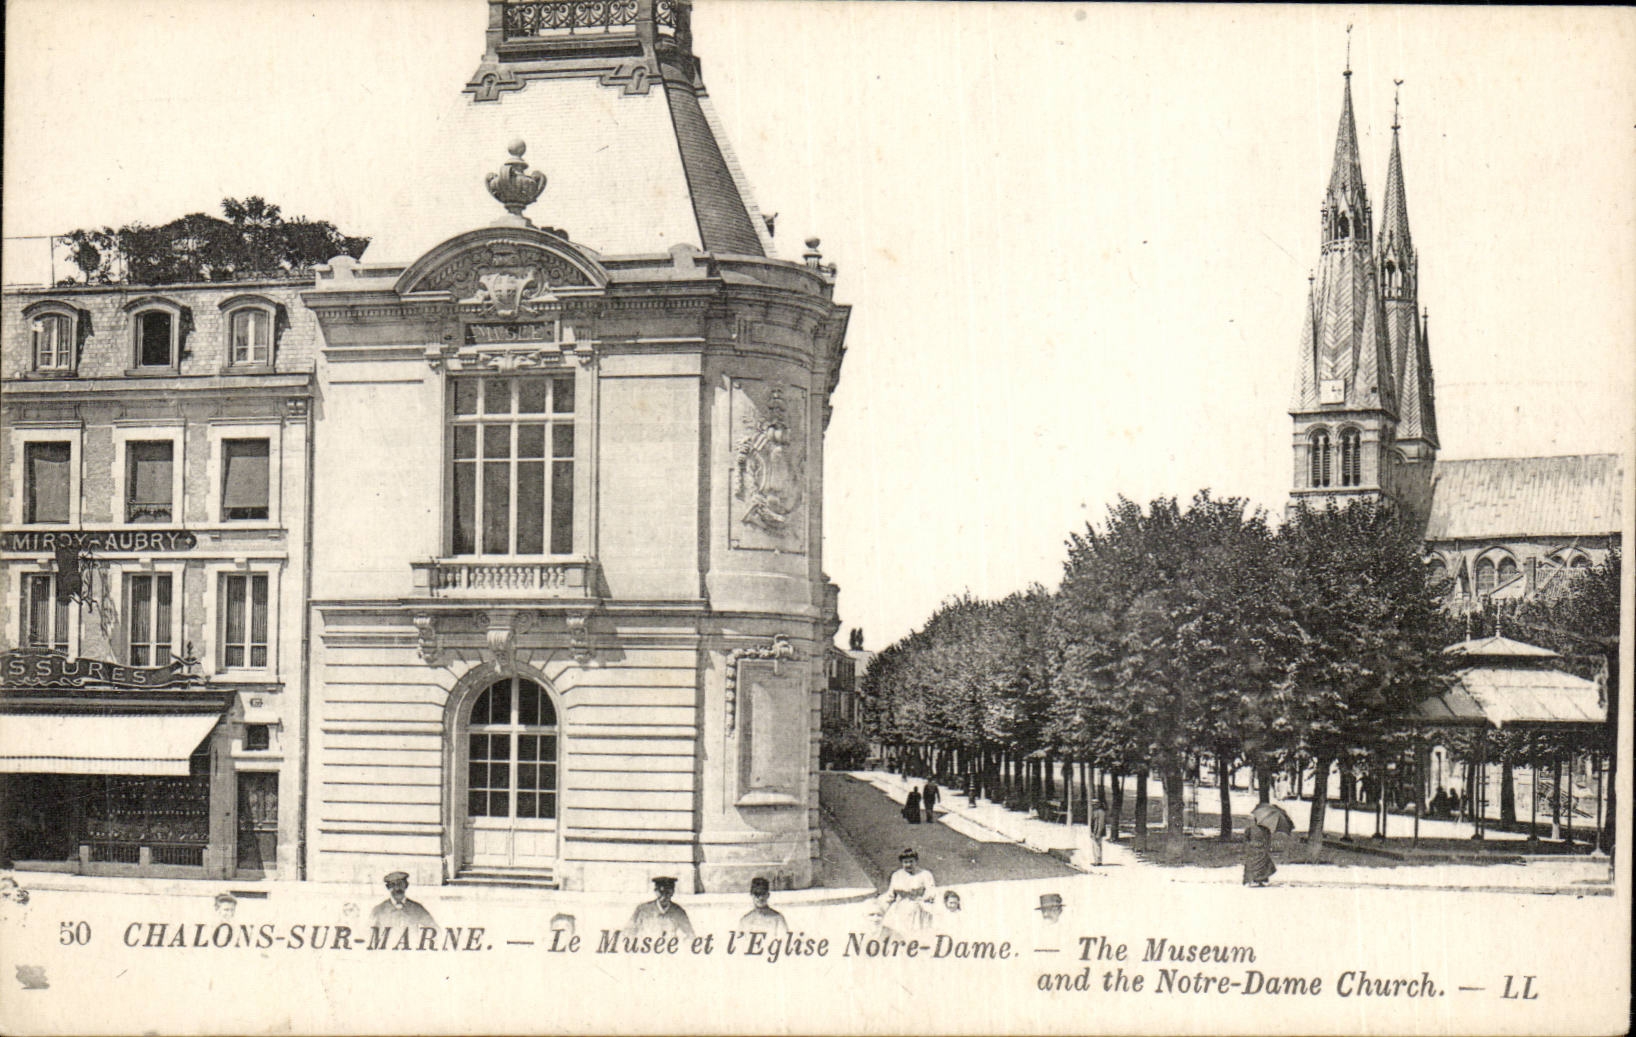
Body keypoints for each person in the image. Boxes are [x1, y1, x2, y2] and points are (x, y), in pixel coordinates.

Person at [877, 849, 936, 937]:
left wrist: (923, 899)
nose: (908, 865)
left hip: (918, 906)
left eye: (911, 861)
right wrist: (880, 903)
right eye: (905, 862)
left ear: (916, 861)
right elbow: (891, 894)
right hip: (900, 907)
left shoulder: (925, 874)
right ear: (902, 863)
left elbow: (931, 891)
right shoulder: (896, 875)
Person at [626, 876, 694, 939]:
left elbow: (690, 935)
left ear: (672, 892)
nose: (664, 897)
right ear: (655, 891)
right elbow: (628, 933)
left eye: (667, 893)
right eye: (661, 892)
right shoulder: (643, 910)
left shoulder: (678, 912)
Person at [371, 871, 437, 930]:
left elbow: (435, 929)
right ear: (388, 887)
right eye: (393, 885)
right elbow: (368, 933)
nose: (397, 888)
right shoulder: (379, 910)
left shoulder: (417, 908)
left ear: (406, 885)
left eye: (400, 884)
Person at [1242, 822, 1276, 887]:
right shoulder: (1266, 829)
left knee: (1251, 864)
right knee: (1262, 864)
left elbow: (1246, 839)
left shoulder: (1250, 829)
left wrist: (1248, 846)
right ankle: (1260, 880)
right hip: (1261, 849)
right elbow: (1268, 840)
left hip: (1253, 849)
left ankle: (1251, 879)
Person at [1088, 797, 1108, 866]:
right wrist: (1092, 832)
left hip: (1098, 832)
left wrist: (1098, 833)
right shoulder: (1095, 812)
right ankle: (1097, 860)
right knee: (1095, 846)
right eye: (1093, 804)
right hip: (1094, 832)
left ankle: (1098, 861)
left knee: (1097, 846)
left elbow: (1101, 824)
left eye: (1095, 804)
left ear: (1098, 805)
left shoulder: (1101, 812)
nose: (1093, 806)